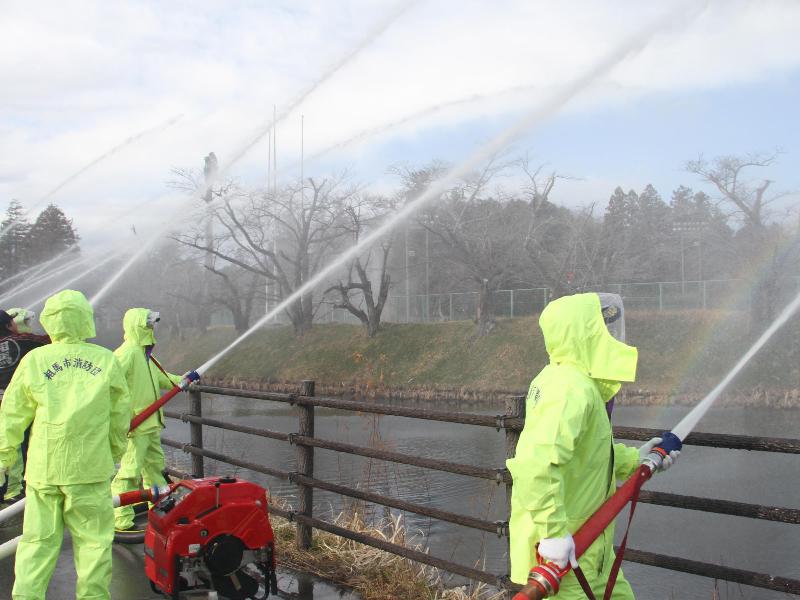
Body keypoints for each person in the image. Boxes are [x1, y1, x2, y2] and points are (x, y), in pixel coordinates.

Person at [507, 292, 679, 598]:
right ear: (584, 334)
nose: (613, 336)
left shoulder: (573, 383)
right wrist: (554, 534)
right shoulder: (569, 388)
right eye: (604, 328)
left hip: (591, 550)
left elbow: (588, 454)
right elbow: (535, 465)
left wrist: (636, 459)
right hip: (567, 555)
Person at [0, 289, 130, 599]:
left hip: (44, 469)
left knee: (37, 543)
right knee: (94, 545)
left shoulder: (35, 360)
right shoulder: (105, 360)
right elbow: (120, 415)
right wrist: (112, 452)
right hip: (90, 469)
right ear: (86, 319)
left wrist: (4, 458)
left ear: (49, 320)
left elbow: (12, 415)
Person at [110, 308, 183, 532]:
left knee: (154, 469)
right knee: (129, 472)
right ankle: (120, 519)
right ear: (137, 326)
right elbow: (109, 385)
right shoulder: (127, 354)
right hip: (136, 426)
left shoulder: (146, 355)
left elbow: (163, 379)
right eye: (148, 323)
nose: (152, 327)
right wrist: (121, 417)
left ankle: (162, 508)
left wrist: (183, 379)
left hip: (150, 424)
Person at [0, 309, 50, 504]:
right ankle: (14, 492)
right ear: (8, 325)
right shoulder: (23, 341)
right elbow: (51, 340)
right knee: (16, 447)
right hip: (14, 405)